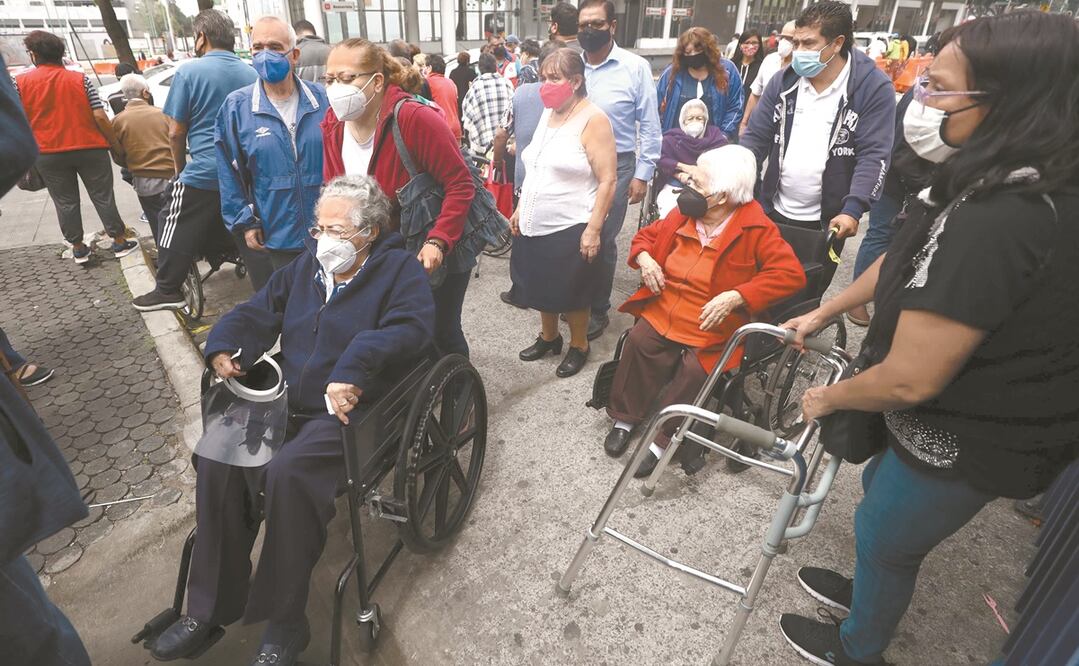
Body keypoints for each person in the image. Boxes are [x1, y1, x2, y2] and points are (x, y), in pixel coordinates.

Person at [777, 13, 1079, 665]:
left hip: (969, 430)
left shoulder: (1007, 214)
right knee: (882, 501)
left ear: (1009, 99)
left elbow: (913, 377)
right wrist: (831, 308)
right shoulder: (985, 171)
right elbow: (908, 252)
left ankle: (858, 646)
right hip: (929, 416)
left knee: (884, 531)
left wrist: (827, 400)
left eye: (937, 87)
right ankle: (868, 593)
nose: (921, 101)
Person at [149, 176, 434, 666]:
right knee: (219, 453)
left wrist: (354, 366)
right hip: (289, 399)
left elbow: (411, 330)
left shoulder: (398, 271)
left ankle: (286, 622)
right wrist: (224, 344)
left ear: (368, 232)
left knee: (289, 474)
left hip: (354, 408)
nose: (324, 239)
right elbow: (259, 310)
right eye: (320, 227)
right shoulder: (306, 267)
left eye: (337, 230)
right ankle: (208, 608)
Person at [603, 145, 805, 476]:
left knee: (696, 371)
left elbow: (789, 274)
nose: (687, 187)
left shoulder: (755, 227)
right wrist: (645, 258)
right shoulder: (681, 214)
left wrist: (738, 295)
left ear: (722, 196)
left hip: (712, 321)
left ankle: (662, 440)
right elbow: (644, 238)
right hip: (665, 305)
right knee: (640, 341)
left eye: (697, 183)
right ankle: (625, 418)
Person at [0, 54, 90, 664]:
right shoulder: (75, 81)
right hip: (74, 149)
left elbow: (11, 143)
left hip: (59, 155)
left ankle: (81, 246)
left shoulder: (36, 83)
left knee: (23, 626)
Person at [321, 38, 476, 358]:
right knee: (400, 331)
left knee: (441, 330)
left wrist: (439, 240)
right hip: (380, 252)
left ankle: (460, 399)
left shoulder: (414, 118)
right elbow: (333, 189)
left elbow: (460, 184)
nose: (336, 87)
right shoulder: (333, 125)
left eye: (347, 78)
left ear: (377, 81)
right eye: (330, 79)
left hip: (431, 246)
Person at [130, 10, 264, 311]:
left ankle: (167, 289)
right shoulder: (251, 73)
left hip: (206, 169)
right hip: (246, 173)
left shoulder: (190, 72)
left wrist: (179, 172)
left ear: (201, 37)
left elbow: (176, 132)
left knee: (170, 220)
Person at [741, 1, 895, 243]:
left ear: (837, 43)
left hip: (827, 222)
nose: (799, 51)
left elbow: (874, 155)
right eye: (796, 43)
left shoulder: (873, 88)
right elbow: (755, 139)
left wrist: (852, 209)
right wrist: (740, 185)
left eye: (809, 43)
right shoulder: (783, 82)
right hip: (771, 211)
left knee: (809, 280)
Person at [510, 47, 617, 378]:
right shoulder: (549, 113)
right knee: (542, 286)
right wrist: (519, 209)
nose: (545, 85)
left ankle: (579, 345)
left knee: (572, 293)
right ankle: (549, 337)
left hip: (571, 223)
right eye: (542, 77)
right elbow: (537, 164)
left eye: (553, 78)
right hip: (534, 221)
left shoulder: (593, 119)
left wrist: (594, 228)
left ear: (575, 81)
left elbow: (608, 179)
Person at [215, 17, 329, 287]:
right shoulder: (237, 108)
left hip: (327, 232)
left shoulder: (323, 100)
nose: (265, 55)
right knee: (286, 310)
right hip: (275, 235)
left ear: (294, 55)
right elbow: (228, 172)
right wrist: (245, 221)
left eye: (275, 47)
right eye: (258, 48)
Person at [578, 0, 662, 340]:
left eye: (596, 24)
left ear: (612, 26)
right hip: (576, 161)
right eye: (583, 24)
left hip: (619, 164)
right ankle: (574, 299)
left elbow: (650, 125)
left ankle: (597, 308)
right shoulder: (572, 64)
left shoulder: (635, 67)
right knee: (575, 233)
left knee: (602, 235)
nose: (588, 31)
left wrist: (643, 173)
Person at [15, 30, 137, 264]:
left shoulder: (19, 83)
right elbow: (100, 116)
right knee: (103, 196)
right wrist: (115, 145)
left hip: (48, 153)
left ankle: (79, 248)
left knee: (65, 201)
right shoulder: (80, 79)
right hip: (90, 148)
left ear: (34, 54)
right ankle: (119, 242)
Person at [845, 89, 935, 327]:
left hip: (923, 184)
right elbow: (899, 147)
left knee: (907, 244)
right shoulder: (922, 93)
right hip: (898, 180)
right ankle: (856, 300)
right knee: (880, 233)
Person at [493, 39, 566, 310]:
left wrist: (498, 160)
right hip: (563, 182)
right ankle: (558, 296)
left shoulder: (522, 94)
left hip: (527, 179)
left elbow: (502, 132)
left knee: (522, 234)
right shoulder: (579, 97)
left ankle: (521, 291)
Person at [111, 73, 174, 243]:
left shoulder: (117, 121)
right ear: (145, 93)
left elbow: (118, 157)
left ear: (125, 95)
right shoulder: (164, 114)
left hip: (144, 182)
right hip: (172, 178)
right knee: (177, 222)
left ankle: (166, 259)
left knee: (157, 224)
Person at [655, 27, 742, 139]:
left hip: (714, 145)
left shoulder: (728, 71)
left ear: (708, 50)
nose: (693, 55)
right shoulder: (671, 74)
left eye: (698, 51)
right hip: (676, 144)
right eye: (688, 52)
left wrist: (724, 135)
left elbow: (736, 107)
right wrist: (663, 137)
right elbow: (655, 108)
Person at [655, 99, 728, 217]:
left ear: (705, 121)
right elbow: (661, 160)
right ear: (683, 121)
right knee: (669, 208)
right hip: (677, 181)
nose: (695, 121)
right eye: (690, 118)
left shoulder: (715, 136)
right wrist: (684, 170)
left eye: (699, 118)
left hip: (707, 184)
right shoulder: (672, 138)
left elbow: (722, 161)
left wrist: (699, 175)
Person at [740, 19, 795, 135]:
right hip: (762, 124)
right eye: (783, 37)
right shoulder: (770, 60)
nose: (785, 42)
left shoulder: (801, 66)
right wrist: (744, 123)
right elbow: (755, 94)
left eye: (790, 39)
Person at [461, 53, 515, 156]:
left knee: (487, 172)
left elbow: (467, 118)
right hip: (506, 143)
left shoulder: (475, 87)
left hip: (484, 148)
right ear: (495, 66)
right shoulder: (507, 83)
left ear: (480, 68)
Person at [425, 54, 463, 142]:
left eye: (425, 67)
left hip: (441, 128)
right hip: (456, 128)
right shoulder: (451, 82)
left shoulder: (427, 83)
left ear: (429, 68)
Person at [731, 30, 765, 96]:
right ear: (740, 45)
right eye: (747, 42)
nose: (751, 46)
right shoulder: (731, 65)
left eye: (754, 43)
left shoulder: (763, 67)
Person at [449, 51, 477, 115]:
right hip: (468, 100)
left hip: (457, 100)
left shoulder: (453, 73)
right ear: (468, 60)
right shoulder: (471, 72)